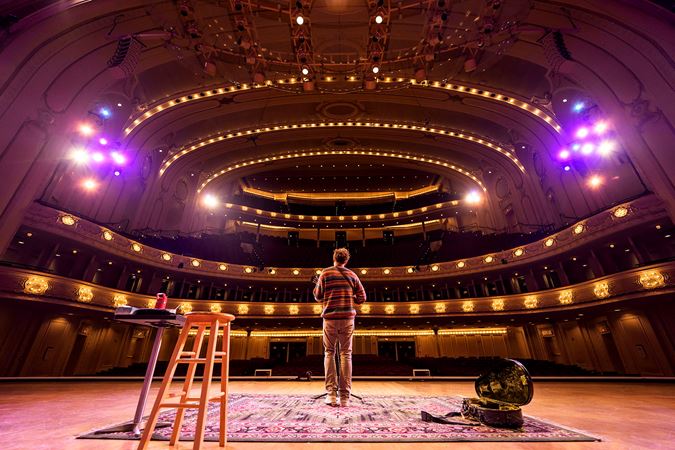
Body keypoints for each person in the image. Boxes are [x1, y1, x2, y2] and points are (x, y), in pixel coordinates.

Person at [313, 248, 367, 407]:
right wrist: (351, 297)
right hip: (347, 319)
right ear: (346, 260)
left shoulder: (325, 273)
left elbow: (317, 296)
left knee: (329, 353)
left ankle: (331, 395)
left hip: (330, 319)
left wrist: (319, 286)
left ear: (334, 258)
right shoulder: (352, 275)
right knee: (346, 355)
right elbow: (362, 297)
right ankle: (344, 397)